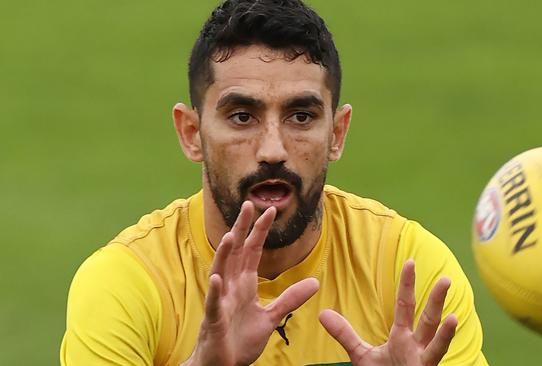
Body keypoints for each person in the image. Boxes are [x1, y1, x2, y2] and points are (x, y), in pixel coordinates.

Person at [60, 0, 488, 365]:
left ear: (336, 134)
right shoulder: (126, 282)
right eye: (242, 116)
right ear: (191, 134)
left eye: (301, 116)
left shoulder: (406, 272)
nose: (272, 150)